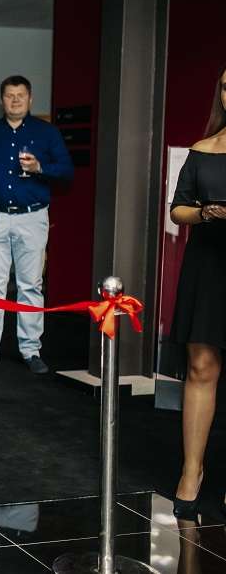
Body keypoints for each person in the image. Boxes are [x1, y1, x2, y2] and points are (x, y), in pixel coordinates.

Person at [0, 75, 73, 374]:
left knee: (31, 285)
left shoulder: (47, 133)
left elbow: (66, 171)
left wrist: (40, 167)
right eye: (10, 95)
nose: (15, 100)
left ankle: (31, 350)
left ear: (30, 99)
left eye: (20, 95)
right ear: (2, 100)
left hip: (32, 216)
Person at [169, 63, 226, 521]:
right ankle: (193, 470)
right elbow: (178, 210)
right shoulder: (202, 150)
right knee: (201, 366)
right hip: (208, 264)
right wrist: (205, 213)